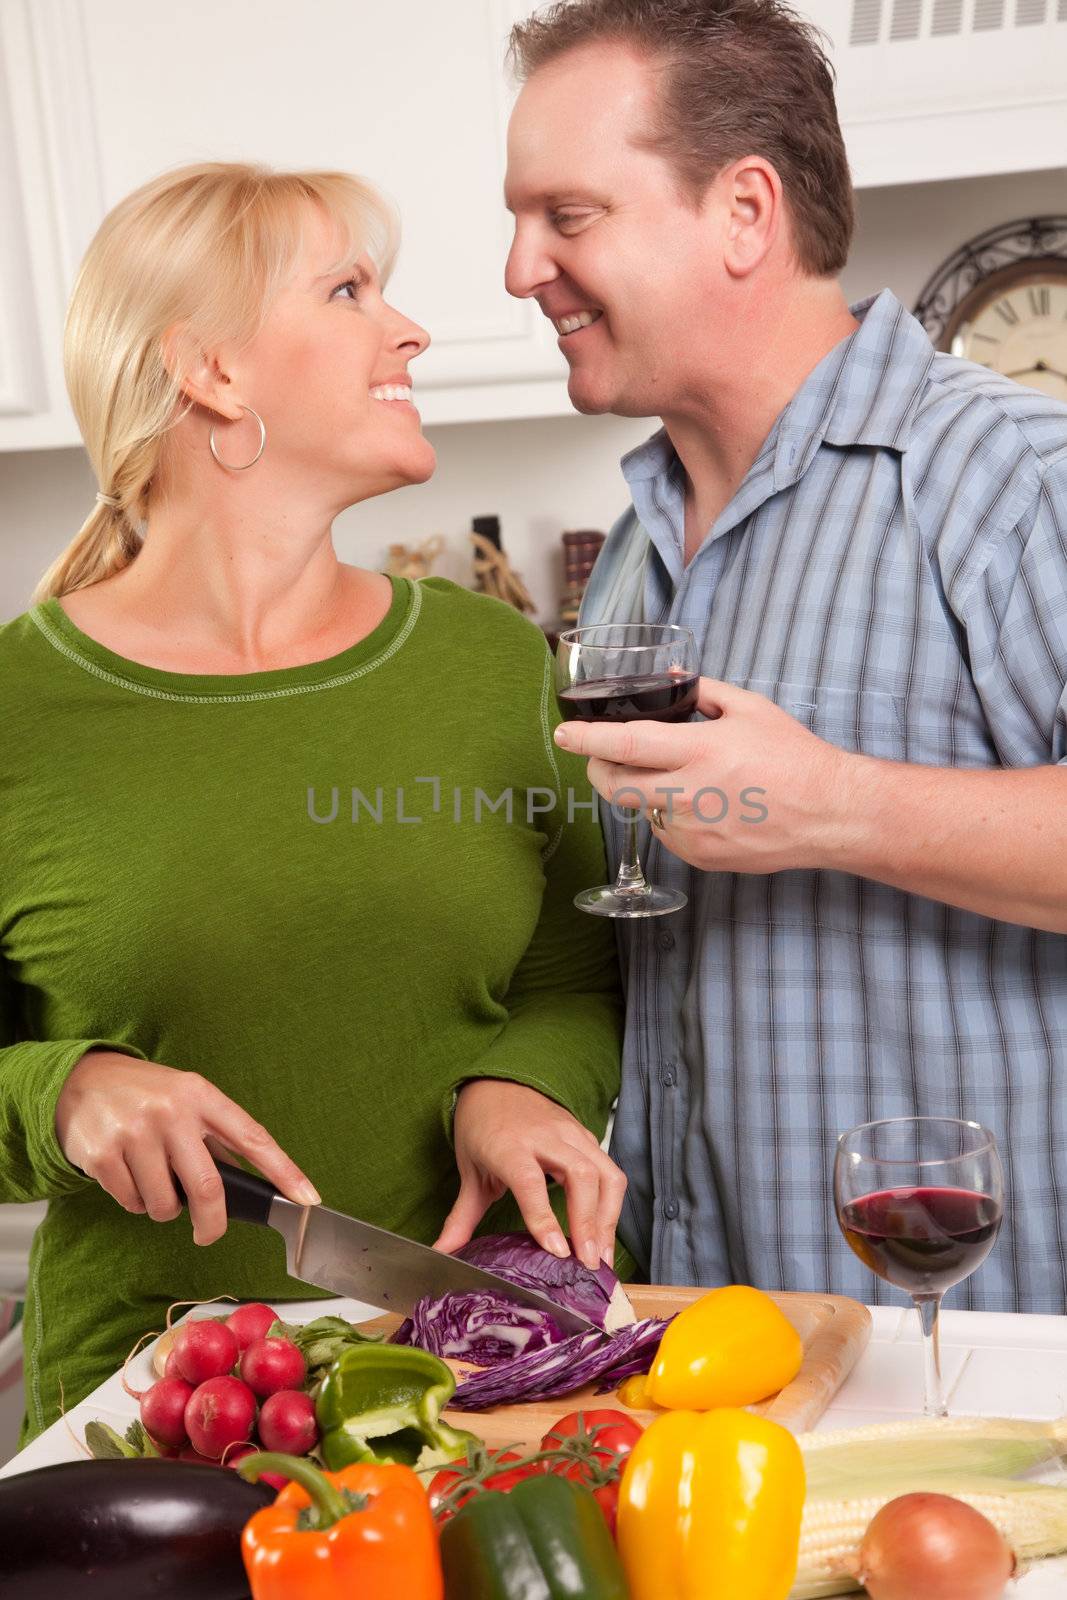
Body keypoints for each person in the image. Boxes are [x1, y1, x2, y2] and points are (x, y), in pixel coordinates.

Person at [0, 161, 625, 1446]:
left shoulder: (488, 661)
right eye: (348, 289)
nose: (409, 329)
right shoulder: (19, 706)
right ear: (212, 374)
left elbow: (579, 968)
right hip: (154, 1407)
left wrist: (519, 1085)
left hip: (488, 1391)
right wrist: (67, 1088)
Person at [502, 0, 1067, 1311]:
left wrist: (834, 802)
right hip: (704, 1352)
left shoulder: (1008, 484)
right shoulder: (641, 554)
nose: (518, 268)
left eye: (566, 215)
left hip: (963, 1361)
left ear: (743, 212)